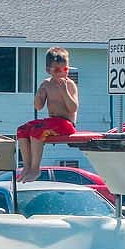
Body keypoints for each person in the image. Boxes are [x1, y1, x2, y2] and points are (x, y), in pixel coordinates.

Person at [16, 47, 78, 182]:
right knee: (22, 130)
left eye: (65, 69)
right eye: (57, 70)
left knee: (38, 130)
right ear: (48, 70)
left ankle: (35, 168)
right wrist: (40, 92)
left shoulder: (70, 85)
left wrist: (64, 91)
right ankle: (27, 166)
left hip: (66, 124)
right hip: (52, 122)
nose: (62, 73)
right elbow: (38, 106)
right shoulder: (47, 84)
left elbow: (73, 108)